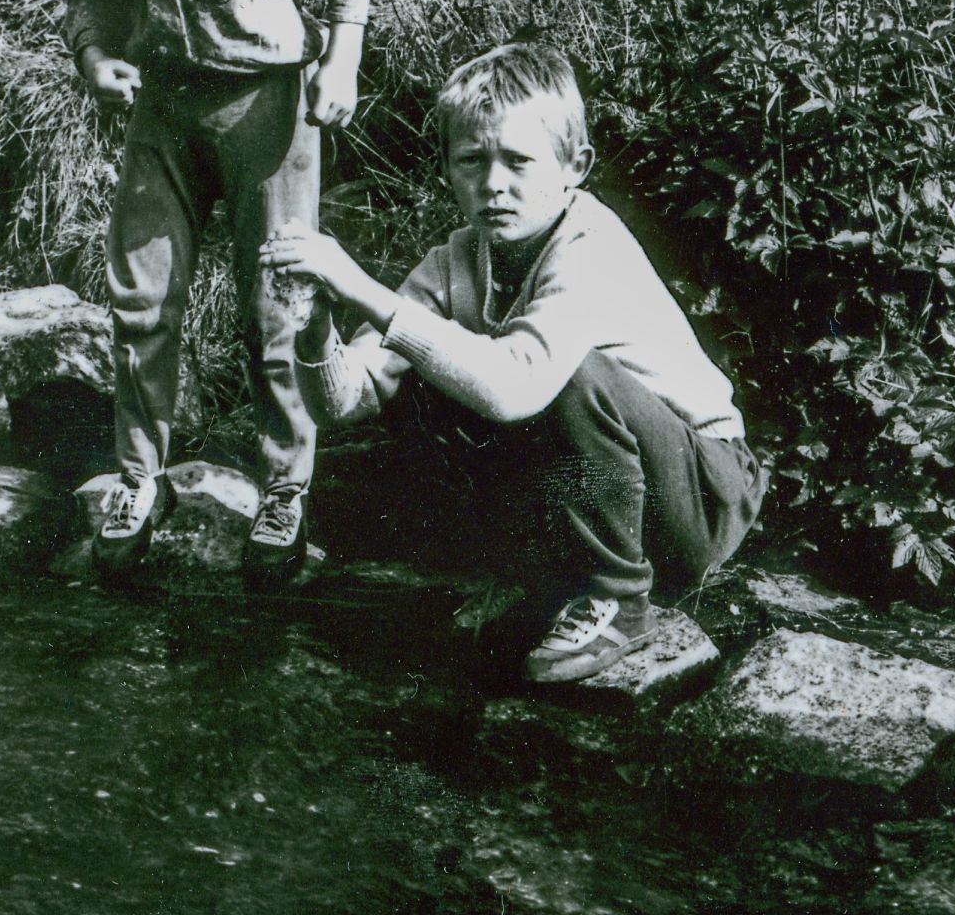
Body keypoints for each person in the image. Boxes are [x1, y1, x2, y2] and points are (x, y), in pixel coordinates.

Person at [19, 0, 393, 582]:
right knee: (140, 297)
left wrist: (342, 57)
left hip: (266, 108)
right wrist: (93, 56)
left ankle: (285, 486)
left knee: (277, 306)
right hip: (163, 108)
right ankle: (139, 478)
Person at [260, 43, 767, 683]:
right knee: (427, 366)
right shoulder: (454, 262)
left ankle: (621, 600)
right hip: (618, 493)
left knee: (562, 374)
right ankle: (540, 574)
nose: (493, 183)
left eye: (518, 161)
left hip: (701, 494)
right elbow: (347, 401)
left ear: (575, 166)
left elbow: (513, 388)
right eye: (472, 160)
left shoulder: (591, 245)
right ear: (448, 168)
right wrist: (316, 327)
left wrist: (364, 290)